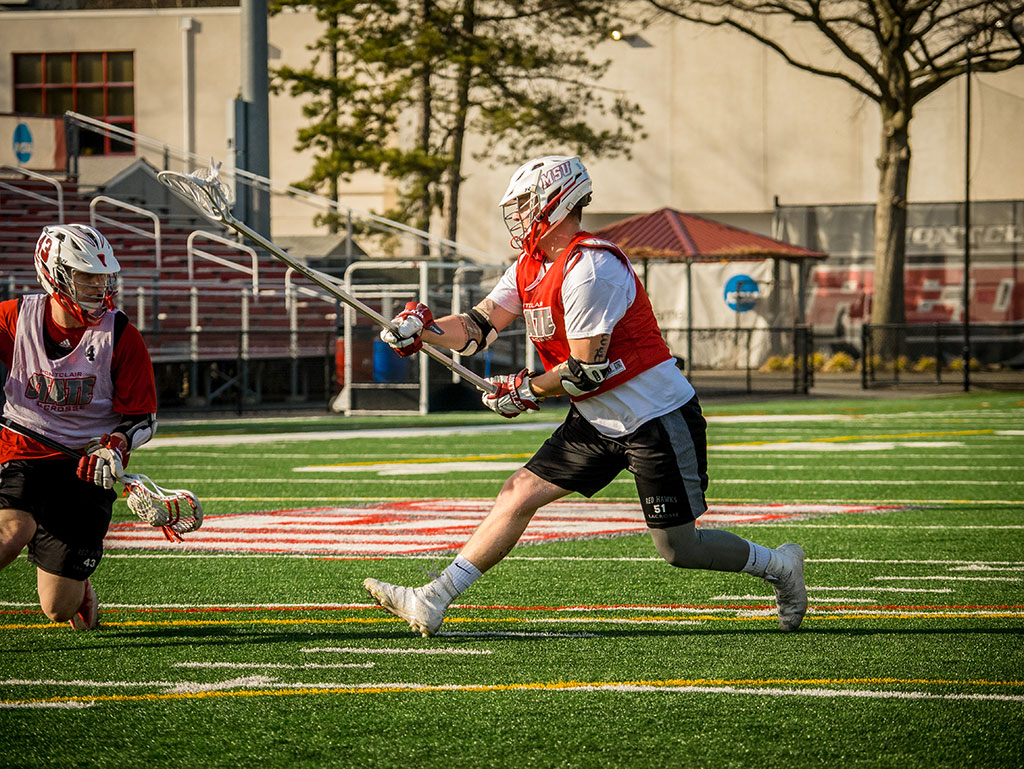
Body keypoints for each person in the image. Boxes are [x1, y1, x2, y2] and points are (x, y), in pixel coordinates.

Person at [363, 155, 806, 635]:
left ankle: (780, 566)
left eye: (526, 204)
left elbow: (585, 370)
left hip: (654, 416)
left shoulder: (591, 267)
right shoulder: (530, 266)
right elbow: (477, 326)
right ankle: (434, 598)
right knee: (519, 492)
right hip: (597, 419)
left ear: (558, 202)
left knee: (680, 549)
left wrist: (525, 389)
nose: (518, 215)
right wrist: (424, 330)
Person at [0, 224, 158, 630]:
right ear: (53, 272)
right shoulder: (16, 318)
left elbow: (144, 417)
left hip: (87, 464)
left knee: (59, 610)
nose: (97, 286)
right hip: (24, 452)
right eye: (85, 275)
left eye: (102, 276)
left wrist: (117, 445)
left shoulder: (121, 335)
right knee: (10, 532)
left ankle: (79, 587)